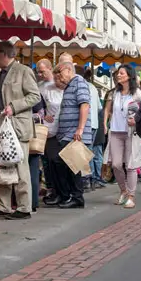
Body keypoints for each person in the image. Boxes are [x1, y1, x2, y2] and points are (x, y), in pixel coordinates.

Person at [0, 41, 41, 220]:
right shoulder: (1, 74)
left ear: (4, 53)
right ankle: (4, 206)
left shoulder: (23, 71)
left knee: (19, 166)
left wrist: (14, 107)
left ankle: (24, 208)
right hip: (1, 125)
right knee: (2, 165)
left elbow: (35, 96)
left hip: (17, 126)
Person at [46, 62, 91, 208]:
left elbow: (84, 104)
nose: (58, 76)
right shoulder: (69, 86)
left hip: (73, 132)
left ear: (68, 69)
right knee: (60, 162)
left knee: (72, 164)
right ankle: (66, 195)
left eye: (59, 72)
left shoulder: (79, 82)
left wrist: (80, 128)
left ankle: (76, 197)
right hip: (65, 132)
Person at [103, 64, 141, 209]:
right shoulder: (114, 93)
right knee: (115, 164)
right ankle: (123, 191)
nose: (118, 75)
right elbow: (108, 109)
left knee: (131, 164)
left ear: (129, 76)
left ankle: (131, 196)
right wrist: (105, 124)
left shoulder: (137, 93)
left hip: (131, 132)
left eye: (121, 73)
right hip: (115, 131)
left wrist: (136, 120)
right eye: (118, 73)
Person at [36, 59, 63, 198]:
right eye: (38, 72)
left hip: (62, 126)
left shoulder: (59, 84)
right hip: (47, 128)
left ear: (50, 68)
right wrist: (44, 114)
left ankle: (60, 188)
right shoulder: (39, 86)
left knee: (58, 160)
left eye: (42, 71)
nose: (40, 74)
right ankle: (51, 187)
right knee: (47, 160)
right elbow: (38, 106)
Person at [84, 68, 106, 190]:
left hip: (85, 123)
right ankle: (92, 179)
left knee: (86, 153)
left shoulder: (81, 86)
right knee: (91, 152)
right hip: (94, 124)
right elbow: (99, 107)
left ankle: (88, 179)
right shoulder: (93, 87)